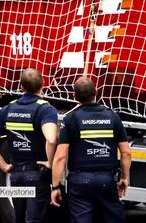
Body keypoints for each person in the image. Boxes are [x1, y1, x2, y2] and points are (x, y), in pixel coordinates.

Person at [51, 77, 131, 223]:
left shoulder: (70, 119)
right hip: (107, 180)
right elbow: (126, 152)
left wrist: (55, 186)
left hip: (79, 182)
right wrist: (124, 178)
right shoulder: (112, 116)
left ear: (74, 96)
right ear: (96, 92)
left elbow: (60, 157)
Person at [0, 68, 58, 223]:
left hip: (16, 176)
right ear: (43, 84)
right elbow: (51, 139)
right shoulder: (45, 109)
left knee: (19, 219)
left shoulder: (8, 108)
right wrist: (50, 163)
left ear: (21, 87)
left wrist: (3, 166)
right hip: (36, 174)